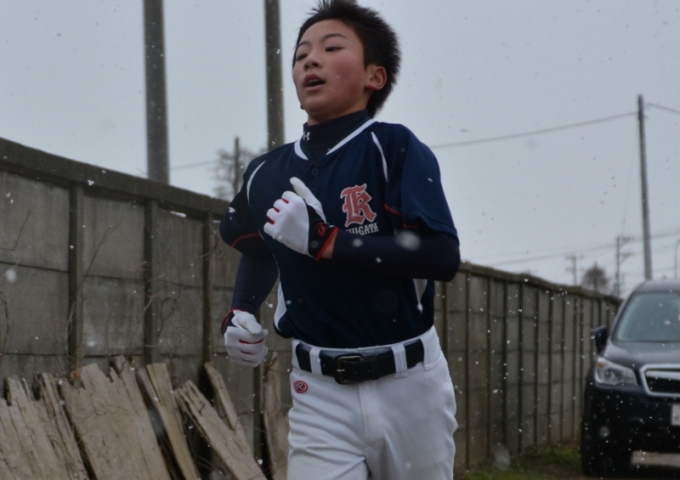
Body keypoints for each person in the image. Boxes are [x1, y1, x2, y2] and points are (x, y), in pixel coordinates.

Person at [220, 1, 461, 478]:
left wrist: (326, 242)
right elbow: (259, 250)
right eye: (301, 54)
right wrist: (240, 311)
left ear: (375, 76)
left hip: (410, 384)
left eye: (332, 48)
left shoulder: (394, 147)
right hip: (318, 391)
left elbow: (440, 255)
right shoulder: (265, 172)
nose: (311, 59)